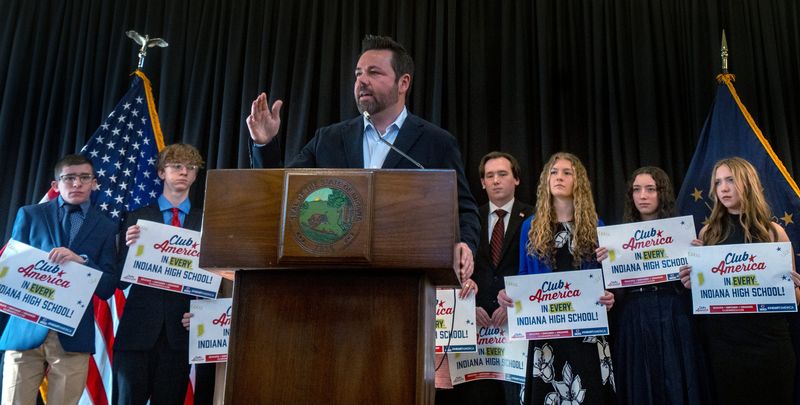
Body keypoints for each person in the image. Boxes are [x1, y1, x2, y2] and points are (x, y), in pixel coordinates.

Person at [246, 34, 479, 281]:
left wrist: (465, 244)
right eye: (358, 74)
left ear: (403, 83)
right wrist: (265, 143)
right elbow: (283, 193)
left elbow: (463, 208)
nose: (362, 81)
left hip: (405, 280)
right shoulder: (329, 139)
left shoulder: (437, 143)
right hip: (330, 279)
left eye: (374, 72)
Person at [678, 157, 800, 405]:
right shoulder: (708, 234)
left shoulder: (773, 232)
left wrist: (793, 288)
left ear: (748, 183)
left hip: (770, 343)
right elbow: (702, 294)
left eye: (730, 180)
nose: (723, 188)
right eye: (718, 182)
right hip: (726, 345)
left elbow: (795, 300)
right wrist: (693, 284)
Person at [498, 152, 616, 405]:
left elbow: (606, 281)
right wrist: (509, 295)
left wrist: (609, 295)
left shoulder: (596, 225)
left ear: (579, 182)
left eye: (566, 172)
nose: (559, 177)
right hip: (546, 332)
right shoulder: (530, 226)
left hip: (586, 330)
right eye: (554, 172)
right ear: (545, 180)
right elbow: (523, 276)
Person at [0, 154, 118, 405]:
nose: (77, 184)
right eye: (69, 178)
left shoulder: (107, 227)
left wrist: (83, 261)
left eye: (84, 178)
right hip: (26, 329)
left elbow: (108, 287)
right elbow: (10, 269)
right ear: (56, 185)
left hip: (73, 336)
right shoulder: (30, 215)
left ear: (94, 183)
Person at [112, 144, 214, 405]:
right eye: (177, 166)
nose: (184, 172)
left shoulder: (208, 223)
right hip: (137, 332)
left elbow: (217, 280)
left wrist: (206, 315)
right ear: (161, 173)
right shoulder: (137, 218)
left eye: (190, 168)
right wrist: (127, 247)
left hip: (181, 333)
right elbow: (120, 281)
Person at [595, 166, 707, 405]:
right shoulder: (616, 238)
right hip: (634, 315)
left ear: (662, 193)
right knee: (640, 385)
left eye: (650, 189)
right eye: (636, 190)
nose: (642, 196)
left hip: (673, 312)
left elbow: (695, 286)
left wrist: (698, 260)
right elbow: (615, 293)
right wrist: (608, 264)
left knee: (677, 380)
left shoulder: (683, 233)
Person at [437, 151, 533, 405]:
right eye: (489, 176)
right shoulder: (467, 220)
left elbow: (537, 271)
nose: (496, 180)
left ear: (517, 179)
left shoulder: (535, 218)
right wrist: (470, 307)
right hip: (475, 329)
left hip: (516, 326)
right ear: (481, 182)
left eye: (502, 174)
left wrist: (514, 306)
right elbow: (455, 268)